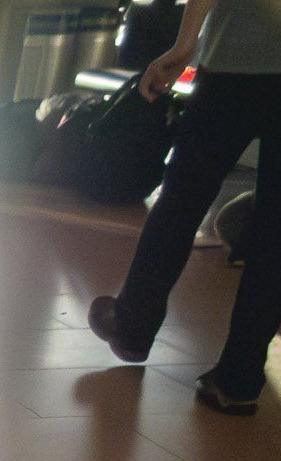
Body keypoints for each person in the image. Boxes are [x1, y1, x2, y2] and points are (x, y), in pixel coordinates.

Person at [88, 0, 281, 413]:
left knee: (183, 198)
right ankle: (240, 379)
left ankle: (132, 326)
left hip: (238, 63)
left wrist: (183, 46)